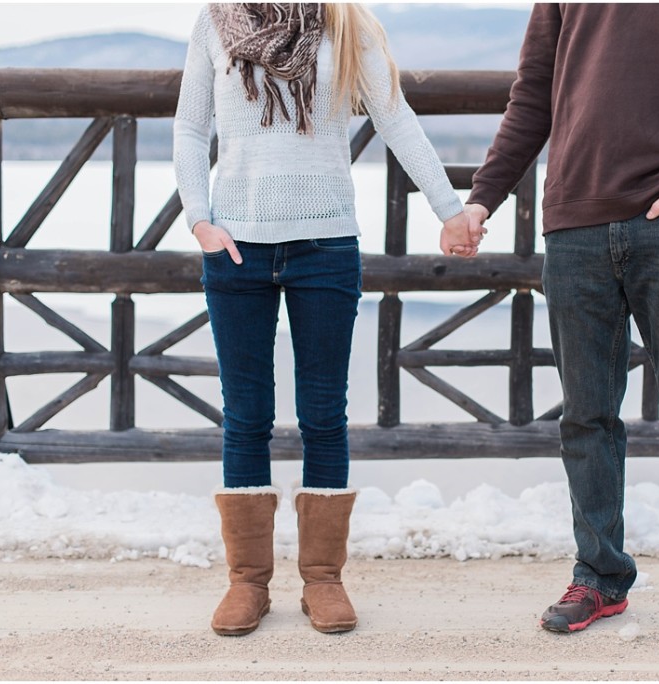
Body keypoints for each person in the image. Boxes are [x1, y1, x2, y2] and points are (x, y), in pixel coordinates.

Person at [465, 4, 659, 652]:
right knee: (586, 419)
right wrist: (482, 197)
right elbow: (533, 95)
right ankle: (600, 576)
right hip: (575, 228)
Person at [174, 2, 480, 637]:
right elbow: (188, 127)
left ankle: (323, 579)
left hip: (326, 245)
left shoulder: (346, 21)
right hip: (235, 247)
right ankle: (247, 583)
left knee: (322, 412)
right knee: (246, 413)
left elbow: (394, 116)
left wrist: (450, 208)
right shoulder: (213, 22)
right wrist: (199, 220)